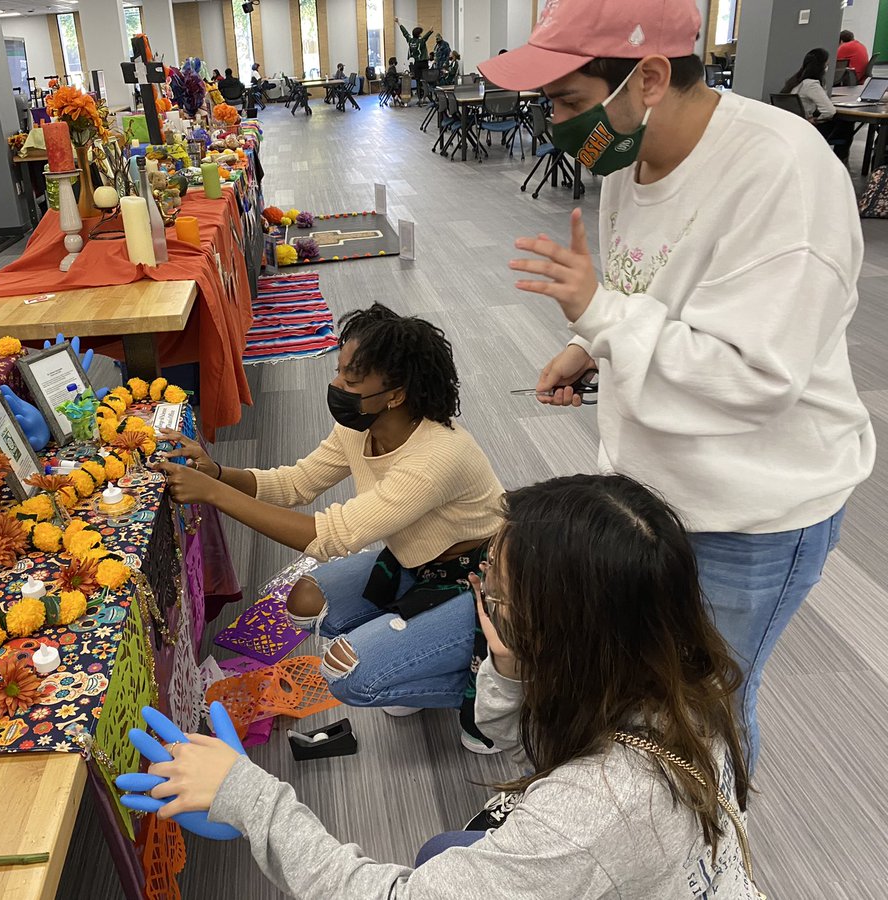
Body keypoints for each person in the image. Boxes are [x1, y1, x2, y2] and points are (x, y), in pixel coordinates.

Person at [480, 0, 874, 770]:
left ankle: (712, 863)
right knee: (653, 697)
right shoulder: (633, 156)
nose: (552, 123)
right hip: (656, 498)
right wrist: (588, 343)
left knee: (707, 712)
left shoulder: (781, 176)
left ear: (649, 78)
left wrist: (600, 313)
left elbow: (757, 376)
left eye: (567, 101)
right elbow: (655, 295)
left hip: (751, 514)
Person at [137, 475, 762, 899]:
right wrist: (510, 678)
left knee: (437, 860)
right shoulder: (680, 680)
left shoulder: (594, 809)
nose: (482, 589)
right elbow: (528, 755)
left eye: (497, 592)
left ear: (565, 637)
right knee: (445, 849)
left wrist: (253, 799)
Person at [156, 305, 506, 751]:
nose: (337, 386)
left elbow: (331, 537)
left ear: (395, 395)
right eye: (339, 371)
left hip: (482, 581)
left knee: (350, 677)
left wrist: (213, 493)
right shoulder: (362, 427)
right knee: (303, 602)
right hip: (417, 563)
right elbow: (297, 483)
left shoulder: (436, 456)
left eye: (352, 381)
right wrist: (220, 474)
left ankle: (495, 692)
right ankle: (414, 652)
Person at [784, 47, 855, 162]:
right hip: (807, 127)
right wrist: (816, 120)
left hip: (793, 125)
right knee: (847, 123)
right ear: (820, 66)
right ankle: (840, 160)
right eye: (826, 64)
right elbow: (829, 111)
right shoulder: (812, 85)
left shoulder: (794, 82)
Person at [396, 16, 433, 100]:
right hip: (423, 63)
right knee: (425, 80)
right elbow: (426, 37)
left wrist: (398, 22)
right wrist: (430, 31)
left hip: (416, 63)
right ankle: (428, 96)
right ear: (419, 34)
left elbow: (404, 33)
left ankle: (419, 98)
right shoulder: (421, 41)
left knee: (418, 80)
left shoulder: (410, 40)